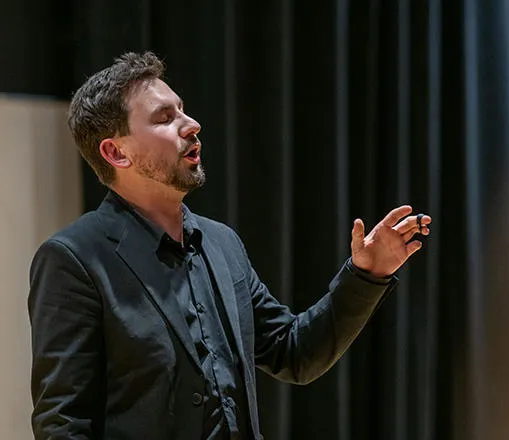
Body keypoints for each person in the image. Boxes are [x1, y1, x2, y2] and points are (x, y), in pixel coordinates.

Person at [28, 51, 432, 440]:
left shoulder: (222, 244)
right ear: (116, 152)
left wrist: (366, 274)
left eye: (182, 109)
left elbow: (294, 354)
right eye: (165, 118)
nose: (192, 124)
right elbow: (62, 423)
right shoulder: (73, 259)